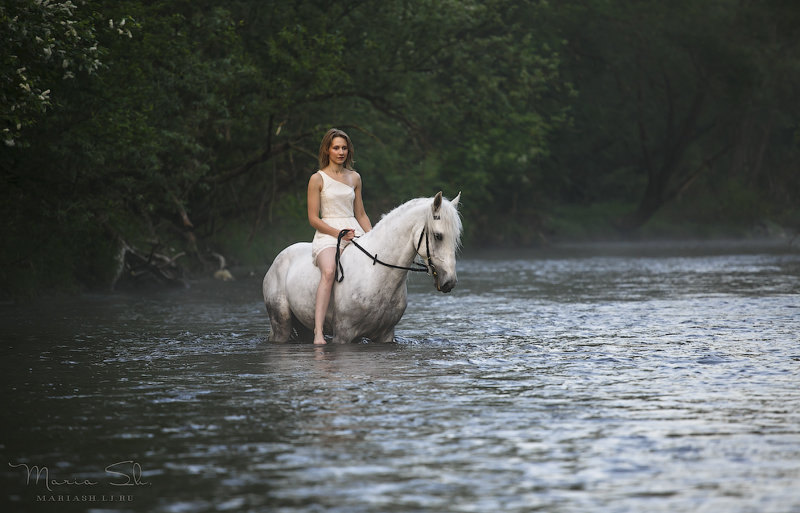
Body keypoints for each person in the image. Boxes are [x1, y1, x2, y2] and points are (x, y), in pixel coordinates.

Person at [307, 128, 372, 344]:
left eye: (344, 148)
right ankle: (318, 332)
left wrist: (372, 238)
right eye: (336, 148)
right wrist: (339, 234)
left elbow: (360, 213)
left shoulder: (355, 177)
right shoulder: (317, 179)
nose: (341, 152)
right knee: (329, 271)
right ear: (327, 149)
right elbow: (313, 219)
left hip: (354, 231)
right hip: (328, 233)